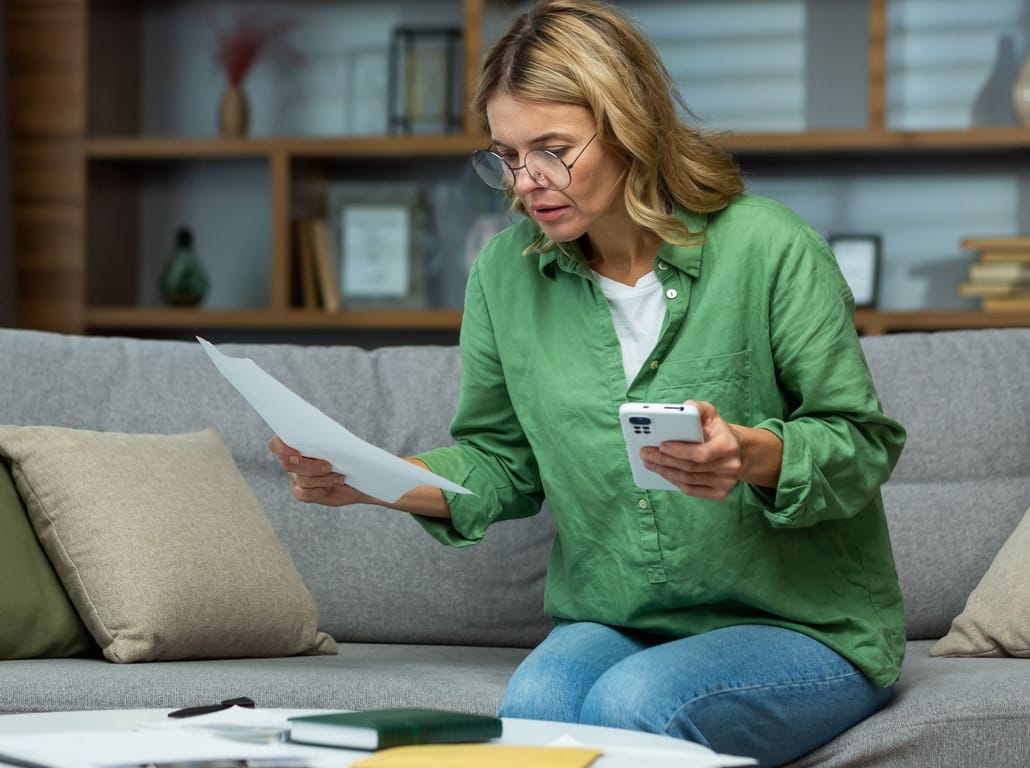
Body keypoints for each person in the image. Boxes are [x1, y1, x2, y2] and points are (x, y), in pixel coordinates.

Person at [267, 1, 906, 765]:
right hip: (621, 617)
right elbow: (502, 463)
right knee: (536, 708)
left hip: (804, 625)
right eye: (507, 155)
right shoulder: (506, 275)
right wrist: (373, 480)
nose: (527, 182)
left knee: (637, 703)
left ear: (629, 124)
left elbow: (861, 444)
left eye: (554, 149)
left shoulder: (770, 247)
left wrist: (748, 454)